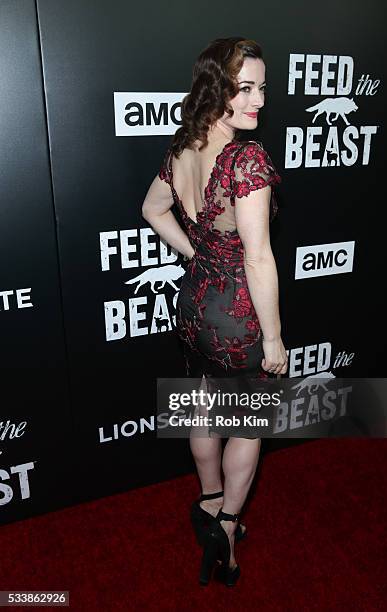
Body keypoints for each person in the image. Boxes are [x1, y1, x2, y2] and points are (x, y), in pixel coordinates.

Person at [142, 37, 288, 586]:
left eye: (263, 88)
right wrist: (272, 340)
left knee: (203, 407)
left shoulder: (183, 147)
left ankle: (206, 502)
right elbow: (257, 256)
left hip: (195, 306)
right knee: (247, 426)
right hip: (238, 318)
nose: (259, 101)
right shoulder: (246, 159)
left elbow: (153, 208)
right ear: (216, 88)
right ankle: (226, 526)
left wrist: (196, 252)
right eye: (244, 88)